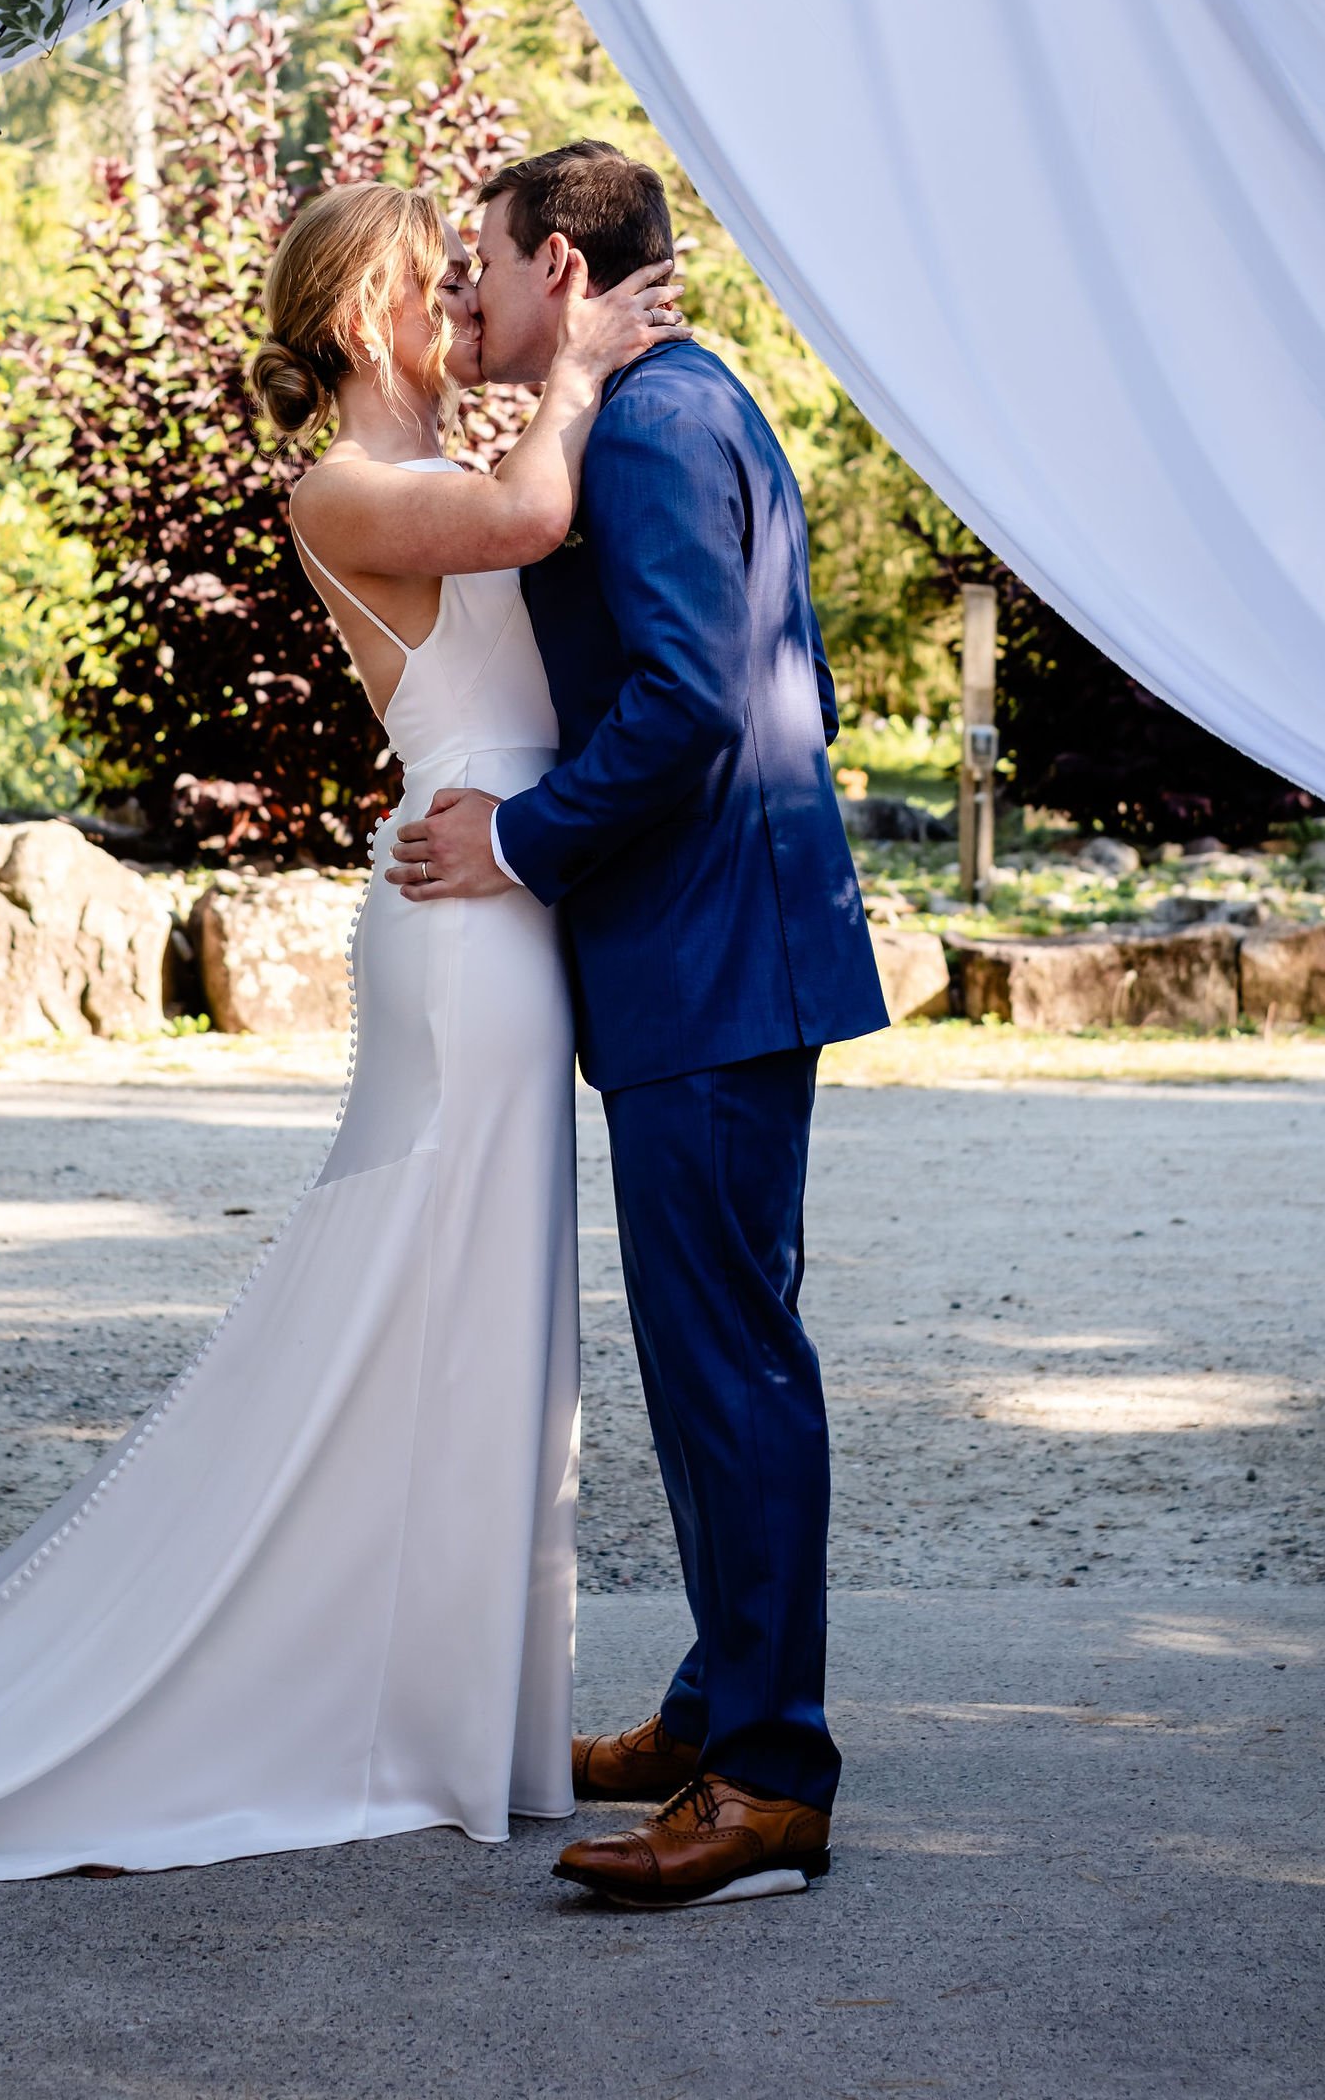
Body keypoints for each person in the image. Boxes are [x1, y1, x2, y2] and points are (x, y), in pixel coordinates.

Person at [0, 178, 675, 1891]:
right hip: (466, 926)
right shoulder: (347, 487)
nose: (466, 303)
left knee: (482, 1320)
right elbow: (530, 526)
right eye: (435, 284)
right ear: (369, 313)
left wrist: (560, 394)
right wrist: (584, 371)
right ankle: (401, 1715)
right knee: (438, 1306)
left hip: (498, 900)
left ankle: (469, 1711)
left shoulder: (435, 461)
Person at [390, 140, 887, 1911]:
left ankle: (768, 1781)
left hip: (712, 958)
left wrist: (520, 841)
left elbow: (691, 698)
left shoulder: (659, 427)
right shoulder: (667, 402)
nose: (473, 290)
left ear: (568, 275)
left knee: (731, 1362)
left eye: (491, 261)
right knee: (715, 1355)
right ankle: (712, 1712)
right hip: (720, 950)